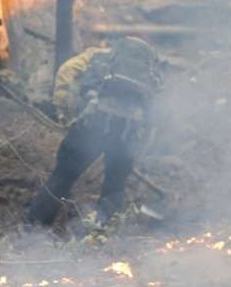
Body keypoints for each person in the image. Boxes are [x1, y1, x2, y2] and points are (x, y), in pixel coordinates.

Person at [26, 37, 161, 227]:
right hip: (126, 133)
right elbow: (153, 115)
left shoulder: (96, 56)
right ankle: (101, 233)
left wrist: (65, 112)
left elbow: (67, 72)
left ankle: (35, 227)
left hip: (93, 125)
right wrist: (139, 147)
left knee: (64, 175)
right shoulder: (150, 73)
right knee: (114, 187)